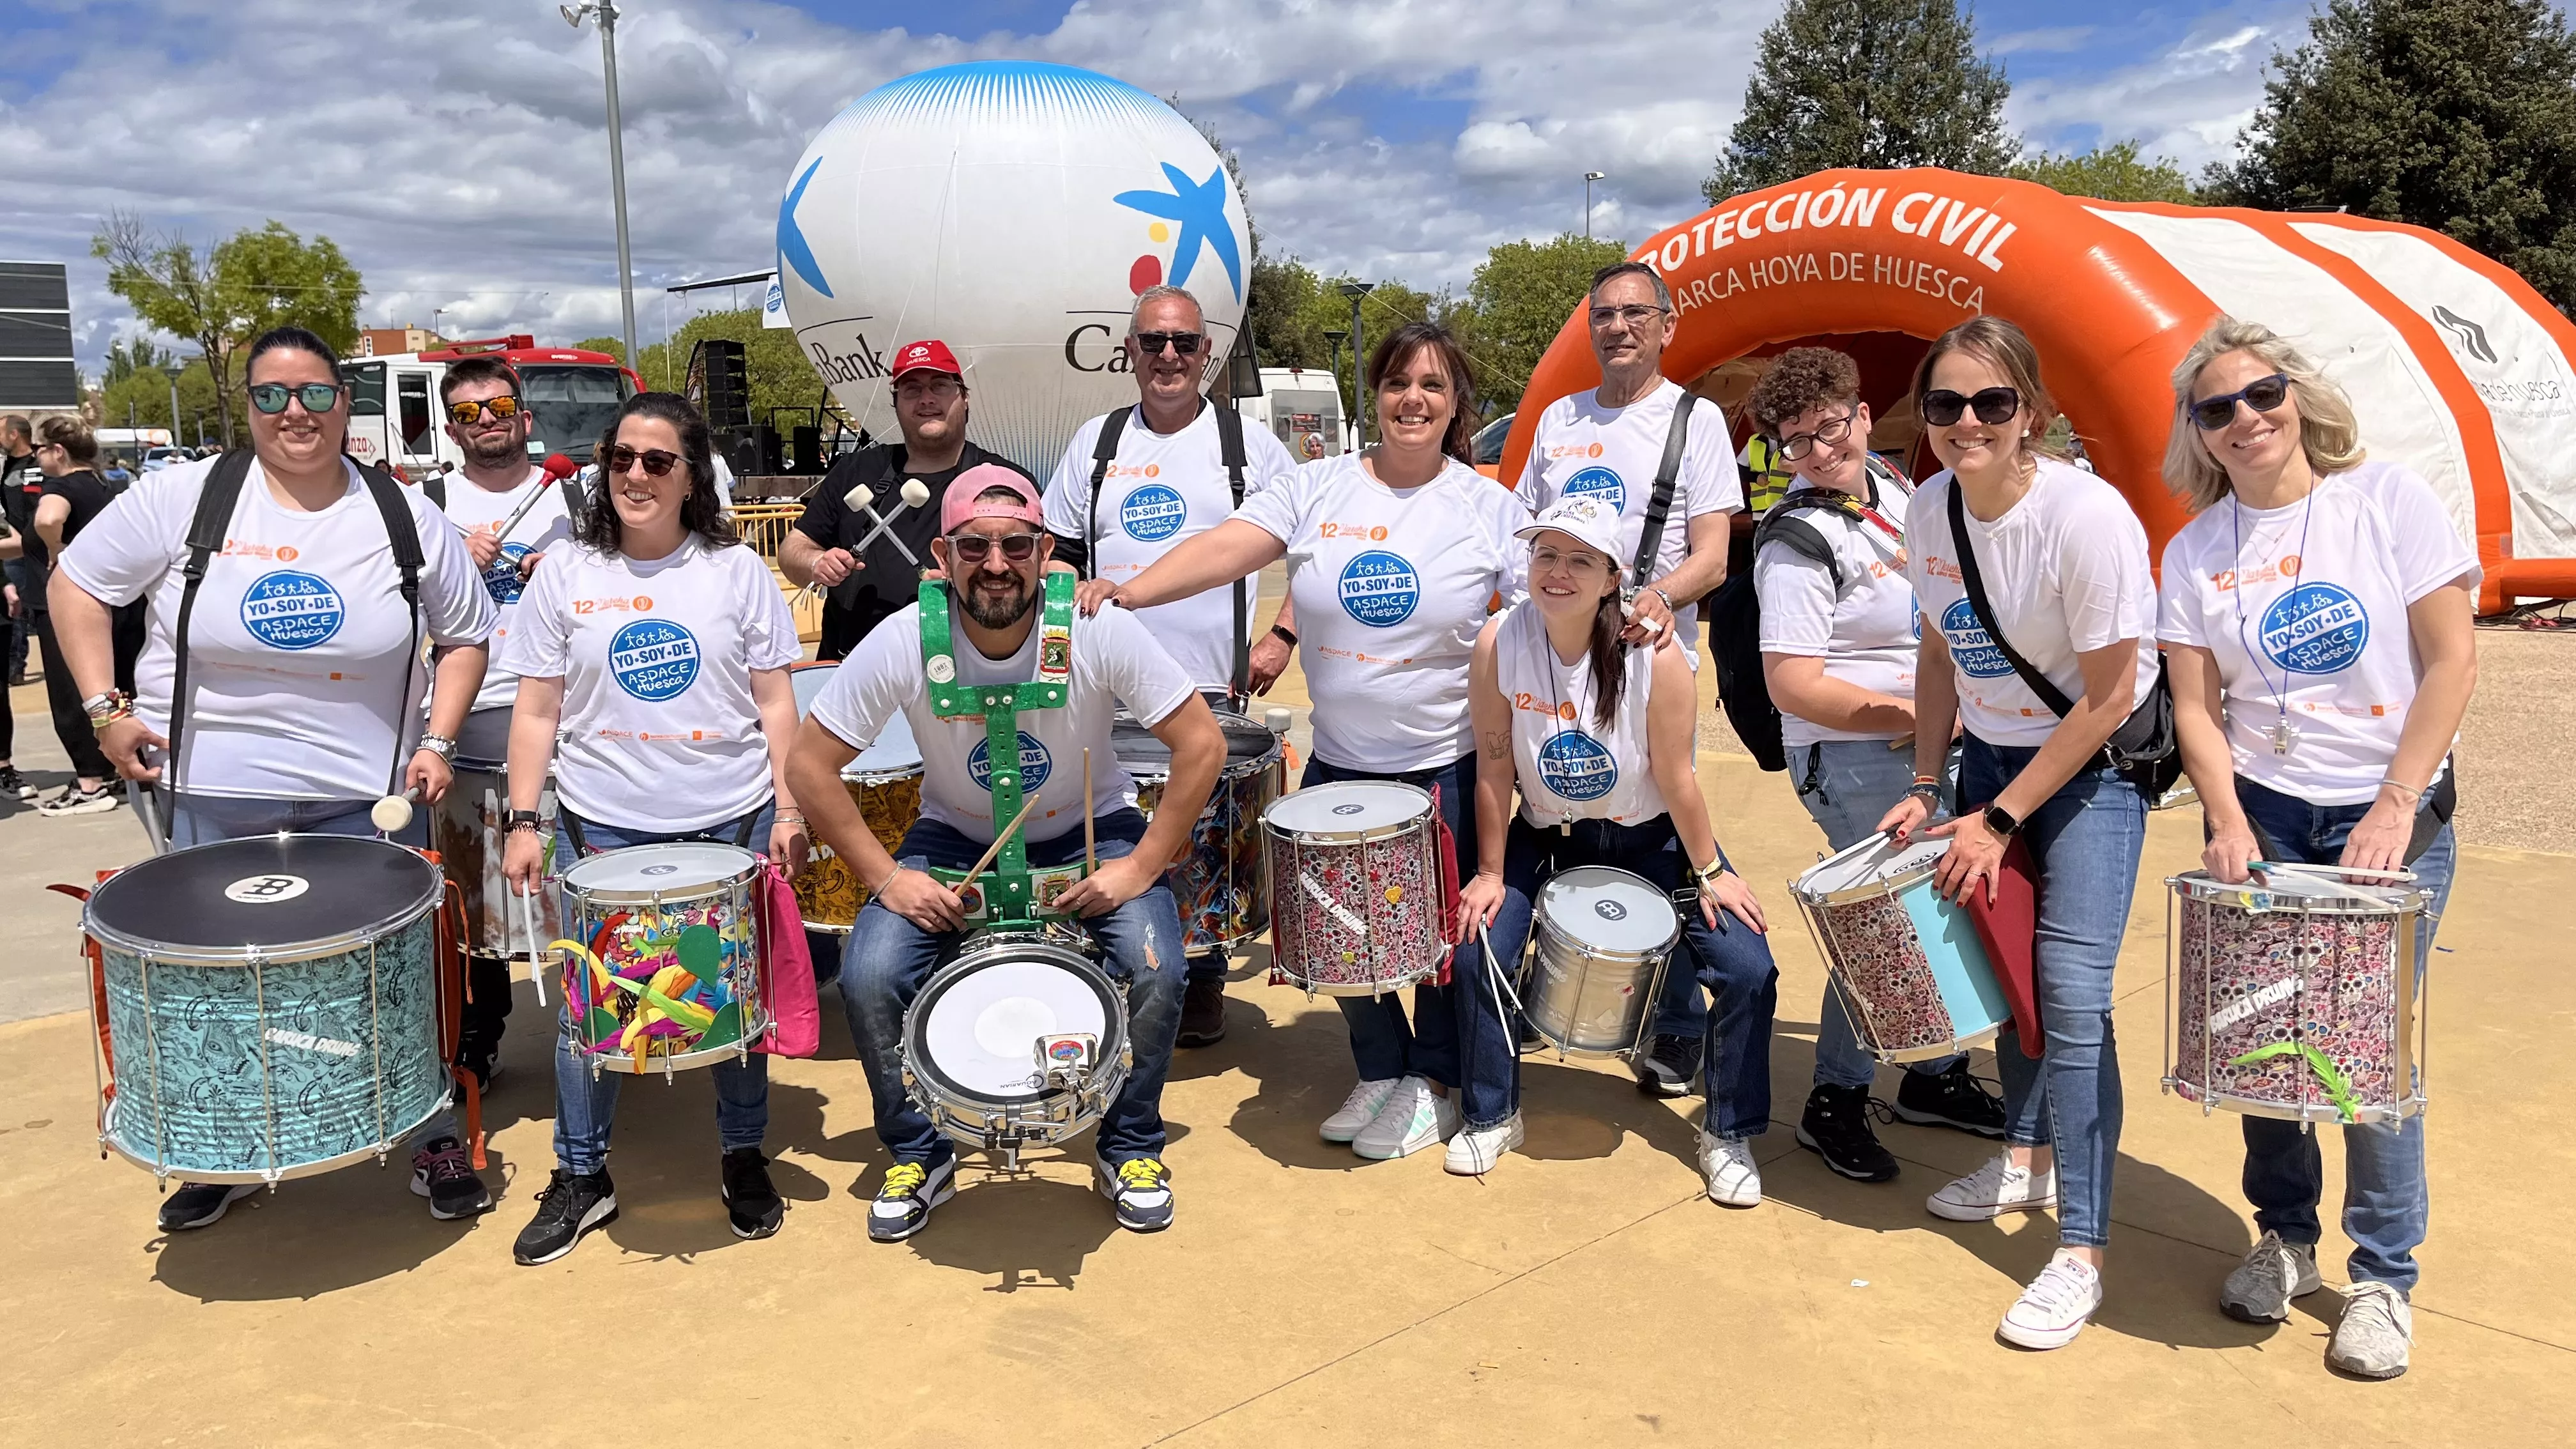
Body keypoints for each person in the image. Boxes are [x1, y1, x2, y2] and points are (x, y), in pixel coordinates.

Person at [50, 325, 498, 1230]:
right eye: (272, 396)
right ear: (246, 407)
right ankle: (220, 1148)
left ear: (345, 404)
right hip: (213, 792)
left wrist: (440, 741)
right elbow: (76, 585)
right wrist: (106, 711)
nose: (296, 413)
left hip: (367, 800)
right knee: (219, 982)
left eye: (316, 395)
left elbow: (467, 636)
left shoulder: (405, 514)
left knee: (394, 975)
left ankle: (431, 1130)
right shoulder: (183, 499)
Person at [1085, 321, 1531, 1162]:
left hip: (1443, 763)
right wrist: (1131, 591)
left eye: (1433, 387)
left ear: (1455, 404)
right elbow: (1225, 549)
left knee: (1433, 946)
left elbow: (1550, 598)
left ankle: (1432, 1083)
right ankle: (1380, 1068)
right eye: (1399, 383)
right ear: (1377, 394)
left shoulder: (1486, 506)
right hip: (1340, 766)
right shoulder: (1320, 486)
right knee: (1337, 934)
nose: (1414, 401)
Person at [2157, 317, 2475, 1381]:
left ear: (2297, 397)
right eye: (2216, 408)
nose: (2244, 419)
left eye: (2260, 395)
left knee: (2362, 1054)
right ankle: (2285, 1235)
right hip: (2269, 814)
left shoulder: (2384, 501)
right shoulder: (2194, 550)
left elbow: (2450, 660)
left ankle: (2382, 1273)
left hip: (2387, 816)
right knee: (2263, 1041)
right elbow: (2196, 708)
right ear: (2195, 433)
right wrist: (2226, 815)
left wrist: (2394, 803)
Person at [792, 467, 1220, 1239]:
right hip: (954, 836)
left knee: (1158, 963)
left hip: (1092, 828)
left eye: (1016, 545)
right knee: (871, 972)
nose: (997, 564)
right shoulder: (903, 639)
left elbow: (1202, 744)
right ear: (942, 556)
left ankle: (1128, 1146)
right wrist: (887, 879)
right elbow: (807, 766)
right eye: (975, 547)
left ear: (1045, 549)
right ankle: (920, 1154)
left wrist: (1141, 866)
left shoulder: (1097, 628)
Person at [1871, 317, 2159, 1351]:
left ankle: (2080, 1249)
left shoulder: (2085, 517)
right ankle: (2026, 1154)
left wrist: (1996, 820)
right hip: (1989, 763)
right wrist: (1925, 778)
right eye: (1944, 405)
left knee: (2073, 996)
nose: (1965, 423)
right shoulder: (1925, 508)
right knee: (2007, 970)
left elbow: (2108, 693)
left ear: (2029, 411)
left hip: (2088, 770)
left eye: (1990, 403)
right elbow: (1942, 651)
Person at [496, 392, 807, 1265]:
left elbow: (776, 701)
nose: (636, 474)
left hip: (729, 817)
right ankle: (581, 1175)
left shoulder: (734, 571)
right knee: (591, 1009)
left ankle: (743, 1156)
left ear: (689, 475)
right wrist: (526, 820)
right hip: (603, 829)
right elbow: (536, 709)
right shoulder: (566, 572)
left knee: (731, 1001)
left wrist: (786, 808)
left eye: (658, 461)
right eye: (621, 457)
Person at [1450, 496, 1780, 1195]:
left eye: (1579, 559)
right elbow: (1494, 764)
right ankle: (1490, 1113)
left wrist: (1713, 868)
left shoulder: (1657, 657)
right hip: (1546, 836)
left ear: (1611, 577)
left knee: (1749, 968)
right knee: (1479, 945)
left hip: (1653, 839)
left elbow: (1677, 776)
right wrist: (1486, 871)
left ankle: (1729, 1133)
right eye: (1545, 554)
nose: (1557, 572)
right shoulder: (1498, 641)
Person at [1740, 348, 2005, 1179]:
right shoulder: (1797, 539)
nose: (1817, 452)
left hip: (1930, 741)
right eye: (1794, 442)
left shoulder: (1890, 484)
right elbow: (1792, 683)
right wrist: (1913, 714)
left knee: (1930, 917)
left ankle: (1933, 1072)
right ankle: (1836, 1100)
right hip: (1854, 753)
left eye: (1828, 428)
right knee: (1883, 926)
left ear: (1860, 416)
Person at [1042, 284, 1302, 1048]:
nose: (1168, 356)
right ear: (1129, 352)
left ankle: (1201, 981)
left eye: (1183, 343)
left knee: (1202, 842)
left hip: (1208, 685)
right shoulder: (1096, 442)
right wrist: (1067, 588)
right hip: (1104, 687)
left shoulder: (1248, 446)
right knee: (1110, 831)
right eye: (1152, 342)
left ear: (1206, 355)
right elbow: (1057, 549)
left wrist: (1283, 635)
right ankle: (1116, 970)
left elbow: (1316, 546)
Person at [1514, 260, 1738, 1098]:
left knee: (1654, 838)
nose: (1617, 328)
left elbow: (1713, 554)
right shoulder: (1559, 419)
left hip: (1650, 663)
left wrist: (1656, 597)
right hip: (1558, 657)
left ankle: (1676, 1023)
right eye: (1603, 314)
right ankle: (1559, 990)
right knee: (1562, 816)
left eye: (1634, 313)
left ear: (1667, 324)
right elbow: (1526, 538)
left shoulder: (1696, 419)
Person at [428, 355, 579, 1091]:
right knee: (472, 893)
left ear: (524, 415)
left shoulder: (575, 497)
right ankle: (477, 1039)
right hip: (471, 718)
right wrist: (450, 558)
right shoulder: (424, 506)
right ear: (451, 428)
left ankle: (608, 1023)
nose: (486, 421)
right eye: (467, 412)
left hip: (569, 714)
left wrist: (568, 561)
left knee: (581, 885)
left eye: (498, 407)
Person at [779, 339, 1036, 661]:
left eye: (940, 385)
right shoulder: (856, 471)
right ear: (896, 403)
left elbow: (1036, 574)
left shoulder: (1005, 481)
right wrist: (816, 563)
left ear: (964, 398)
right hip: (851, 669)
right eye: (911, 389)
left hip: (963, 674)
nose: (926, 399)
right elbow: (793, 550)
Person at [25, 417, 132, 815]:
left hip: (71, 604)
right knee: (112, 685)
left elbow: (48, 518)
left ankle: (91, 781)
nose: (37, 456)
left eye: (40, 449)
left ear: (58, 452)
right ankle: (113, 768)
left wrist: (57, 548)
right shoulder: (102, 484)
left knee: (71, 692)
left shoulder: (62, 485)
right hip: (114, 602)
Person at [4, 415, 38, 694]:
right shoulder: (7, 466)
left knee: (24, 606)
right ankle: (14, 665)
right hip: (10, 547)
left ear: (14, 435)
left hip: (30, 548)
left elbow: (36, 506)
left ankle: (16, 663)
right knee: (14, 606)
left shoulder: (34, 466)